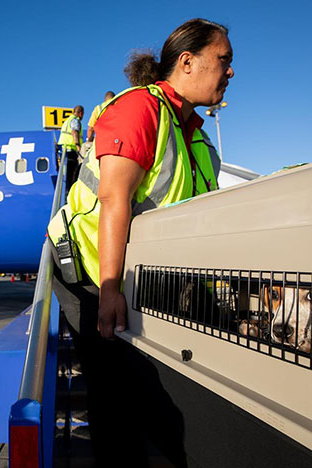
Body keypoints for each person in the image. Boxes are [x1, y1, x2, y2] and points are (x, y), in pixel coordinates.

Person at [47, 18, 232, 467]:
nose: (230, 72)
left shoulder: (200, 139)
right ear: (187, 62)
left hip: (142, 274)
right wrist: (110, 288)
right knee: (112, 395)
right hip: (91, 272)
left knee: (150, 393)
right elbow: (115, 200)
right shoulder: (139, 109)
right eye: (223, 61)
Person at [57, 105, 84, 193]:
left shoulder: (67, 121)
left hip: (64, 150)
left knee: (67, 174)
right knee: (72, 174)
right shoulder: (75, 120)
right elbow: (74, 132)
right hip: (70, 150)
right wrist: (78, 145)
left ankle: (67, 190)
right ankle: (70, 192)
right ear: (80, 113)